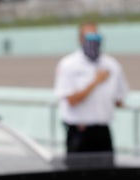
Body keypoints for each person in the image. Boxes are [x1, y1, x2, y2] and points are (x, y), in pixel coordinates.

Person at [54, 21, 129, 154]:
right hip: (79, 131)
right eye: (90, 38)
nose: (94, 42)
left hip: (103, 131)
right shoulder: (69, 64)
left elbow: (119, 99)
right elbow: (71, 100)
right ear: (80, 39)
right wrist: (95, 82)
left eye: (97, 38)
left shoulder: (111, 64)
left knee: (106, 172)